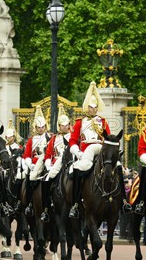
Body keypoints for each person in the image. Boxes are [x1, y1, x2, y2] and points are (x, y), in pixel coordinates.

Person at [68, 82, 111, 218]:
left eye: (95, 107)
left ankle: (121, 201)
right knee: (78, 170)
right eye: (91, 107)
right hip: (85, 152)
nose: (93, 109)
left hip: (101, 149)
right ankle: (75, 203)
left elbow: (108, 138)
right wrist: (77, 152)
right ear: (87, 107)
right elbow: (73, 141)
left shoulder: (103, 122)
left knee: (118, 168)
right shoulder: (80, 122)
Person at [40, 104, 72, 222]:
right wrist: (48, 165)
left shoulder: (74, 136)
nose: (64, 127)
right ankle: (46, 209)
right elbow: (48, 154)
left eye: (66, 125)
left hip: (71, 162)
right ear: (59, 126)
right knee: (47, 179)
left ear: (69, 125)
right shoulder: (54, 138)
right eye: (62, 125)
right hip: (56, 163)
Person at [22, 106, 50, 217]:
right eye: (39, 127)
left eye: (43, 127)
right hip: (34, 164)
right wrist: (30, 164)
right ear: (35, 127)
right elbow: (27, 155)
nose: (41, 129)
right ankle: (29, 203)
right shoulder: (31, 140)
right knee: (29, 179)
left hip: (47, 162)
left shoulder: (50, 137)